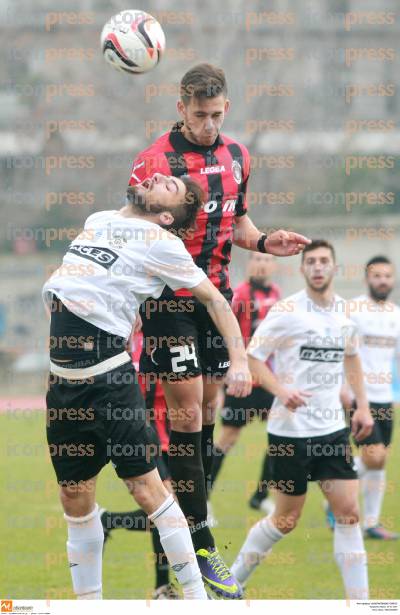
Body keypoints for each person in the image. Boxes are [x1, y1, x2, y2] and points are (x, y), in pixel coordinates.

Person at [128, 62, 309, 597]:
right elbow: (130, 228)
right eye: (197, 114)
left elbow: (240, 222)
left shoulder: (238, 156)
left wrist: (264, 240)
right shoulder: (153, 161)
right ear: (180, 109)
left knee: (205, 418)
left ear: (225, 108)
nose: (207, 124)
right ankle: (202, 540)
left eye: (215, 115)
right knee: (184, 412)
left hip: (215, 299)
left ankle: (179, 535)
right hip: (168, 300)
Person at [42, 173, 253, 600]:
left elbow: (214, 299)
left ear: (164, 215)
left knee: (147, 490)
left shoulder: (163, 243)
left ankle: (195, 599)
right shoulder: (98, 218)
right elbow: (80, 279)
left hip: (107, 380)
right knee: (73, 498)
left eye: (170, 187)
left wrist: (240, 360)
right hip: (62, 381)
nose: (157, 176)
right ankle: (90, 606)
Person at [230, 240, 374, 600]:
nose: (318, 267)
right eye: (311, 262)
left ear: (335, 268)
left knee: (349, 513)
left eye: (325, 261)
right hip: (290, 433)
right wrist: (280, 391)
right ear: (302, 269)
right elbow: (254, 358)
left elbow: (352, 357)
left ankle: (361, 602)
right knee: (286, 520)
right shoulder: (287, 310)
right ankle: (232, 582)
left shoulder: (344, 312)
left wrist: (362, 406)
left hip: (333, 431)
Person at [100, 331, 180, 599]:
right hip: (141, 432)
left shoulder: (174, 330)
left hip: (174, 433)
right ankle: (163, 587)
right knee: (168, 509)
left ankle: (106, 521)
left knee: (169, 514)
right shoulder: (121, 334)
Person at [208, 253, 281, 515]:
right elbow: (222, 333)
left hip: (268, 380)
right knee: (228, 437)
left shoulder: (277, 294)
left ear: (273, 264)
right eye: (257, 259)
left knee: (281, 436)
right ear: (249, 263)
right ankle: (203, 499)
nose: (262, 264)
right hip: (241, 378)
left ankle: (260, 496)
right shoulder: (239, 295)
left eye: (266, 259)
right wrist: (224, 374)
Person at [340, 255, 400, 540]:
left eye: (387, 276)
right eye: (377, 276)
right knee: (374, 456)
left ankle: (372, 523)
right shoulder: (353, 310)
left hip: (385, 398)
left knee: (380, 460)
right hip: (357, 398)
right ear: (367, 279)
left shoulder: (396, 315)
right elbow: (340, 351)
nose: (383, 280)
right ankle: (337, 488)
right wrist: (342, 389)